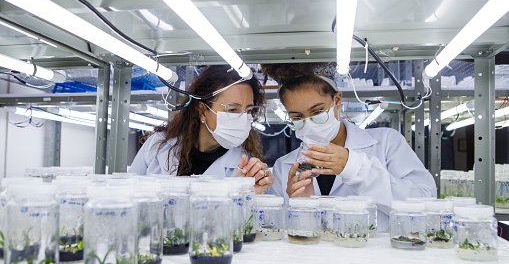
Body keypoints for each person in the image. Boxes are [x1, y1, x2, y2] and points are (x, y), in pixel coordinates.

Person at [261, 63, 436, 231]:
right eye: (297, 117)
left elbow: (427, 204)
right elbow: (276, 234)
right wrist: (300, 207)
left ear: (337, 101)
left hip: (375, 260)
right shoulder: (283, 168)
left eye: (317, 112)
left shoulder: (387, 143)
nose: (310, 124)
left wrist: (356, 168)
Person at [129, 65, 274, 194]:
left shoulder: (246, 166)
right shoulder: (158, 146)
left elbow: (245, 221)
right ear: (202, 111)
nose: (243, 119)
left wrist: (249, 194)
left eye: (248, 111)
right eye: (232, 109)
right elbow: (127, 195)